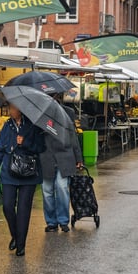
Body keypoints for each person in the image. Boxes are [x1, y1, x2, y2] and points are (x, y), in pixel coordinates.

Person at [0, 104, 46, 257]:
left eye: (13, 108)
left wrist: (25, 143)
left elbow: (41, 147)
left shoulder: (33, 125)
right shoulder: (7, 126)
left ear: (21, 109)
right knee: (7, 206)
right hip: (9, 172)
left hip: (29, 174)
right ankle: (15, 235)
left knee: (23, 210)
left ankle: (21, 244)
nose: (11, 111)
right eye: (10, 108)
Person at [41, 99, 83, 233]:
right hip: (46, 157)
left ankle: (63, 220)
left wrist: (78, 158)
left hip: (64, 157)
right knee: (47, 191)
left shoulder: (67, 113)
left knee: (62, 187)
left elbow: (73, 137)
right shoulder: (40, 115)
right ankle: (51, 222)